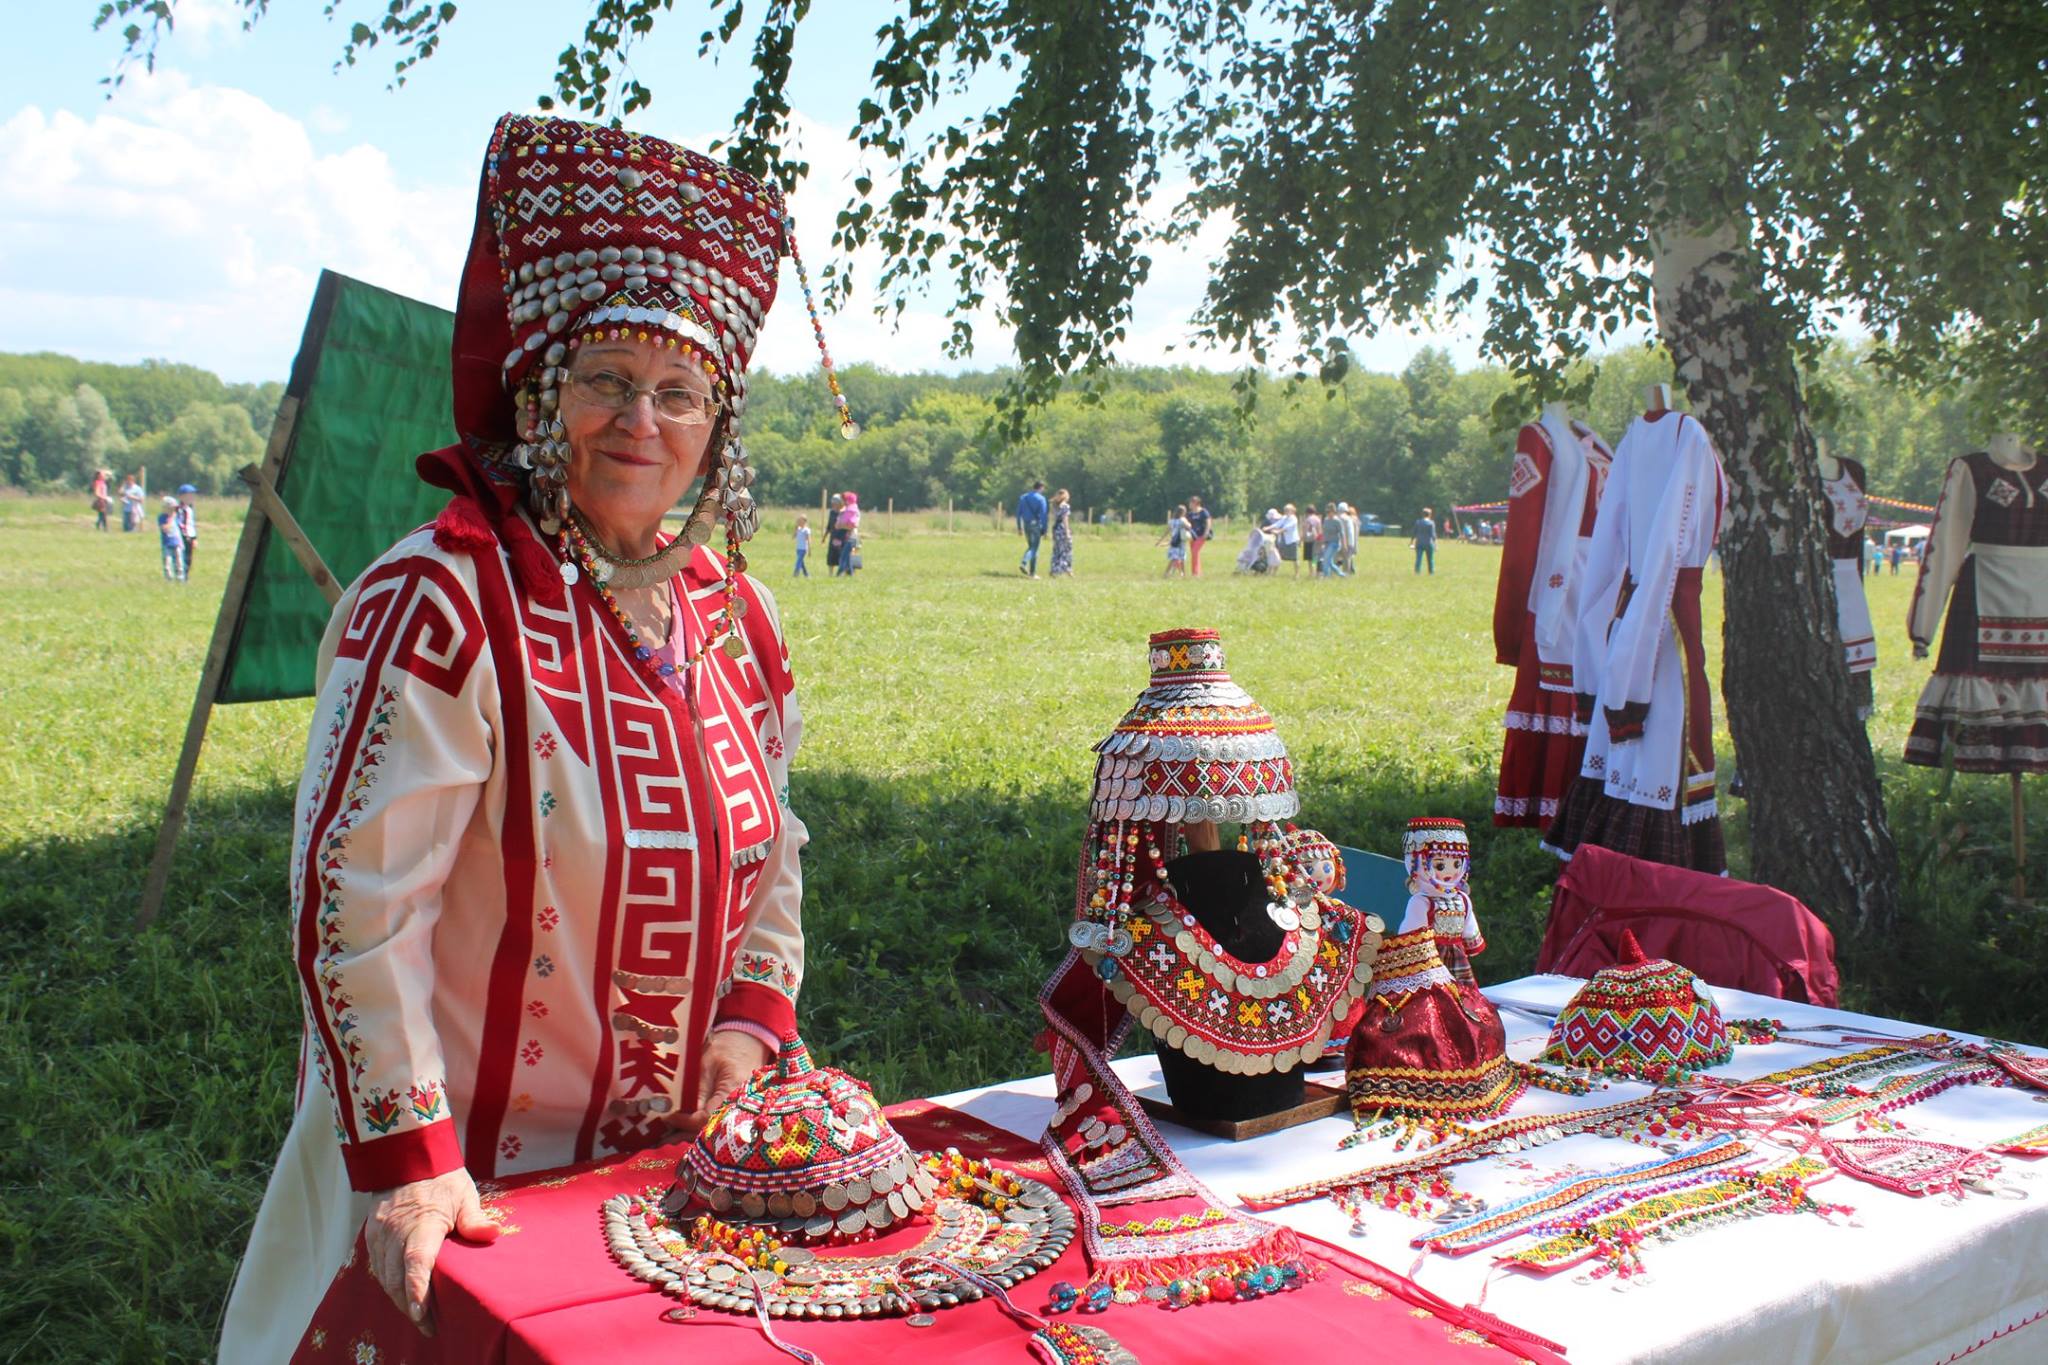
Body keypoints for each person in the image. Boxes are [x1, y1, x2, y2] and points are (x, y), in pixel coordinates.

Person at [219, 113, 837, 1361]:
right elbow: (358, 899)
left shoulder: (737, 613)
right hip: (467, 1191)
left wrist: (750, 1021)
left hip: (671, 1182)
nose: (640, 422)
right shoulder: (440, 597)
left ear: (717, 428)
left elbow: (774, 842)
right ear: (540, 391)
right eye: (605, 379)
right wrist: (411, 1159)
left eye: (679, 393)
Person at [1016, 479, 1049, 577]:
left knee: (1032, 547)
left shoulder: (1023, 497)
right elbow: (1043, 515)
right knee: (1035, 548)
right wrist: (1045, 529)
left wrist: (1019, 527)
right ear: (1041, 488)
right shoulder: (1041, 499)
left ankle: (1032, 572)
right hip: (1036, 525)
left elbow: (1018, 514)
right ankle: (1024, 563)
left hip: (1026, 525)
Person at [156, 495, 186, 582]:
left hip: (177, 542)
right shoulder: (162, 518)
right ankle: (169, 578)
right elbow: (165, 529)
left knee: (179, 560)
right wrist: (171, 518)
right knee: (167, 561)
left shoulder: (178, 516)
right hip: (167, 543)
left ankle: (180, 577)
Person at [1156, 502, 1191, 576]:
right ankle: (1180, 573)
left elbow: (1166, 532)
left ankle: (1173, 573)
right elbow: (1189, 527)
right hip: (1181, 542)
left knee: (1174, 558)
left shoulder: (1171, 521)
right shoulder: (1182, 520)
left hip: (1174, 541)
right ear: (1182, 512)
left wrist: (1159, 541)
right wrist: (1187, 522)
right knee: (1181, 559)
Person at [835, 490, 861, 575]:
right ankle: (850, 574)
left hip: (851, 537)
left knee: (843, 557)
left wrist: (841, 526)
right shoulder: (847, 510)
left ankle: (839, 574)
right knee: (848, 557)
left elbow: (853, 526)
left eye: (843, 499)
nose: (842, 501)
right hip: (847, 537)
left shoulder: (852, 511)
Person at [1049, 488, 1074, 576]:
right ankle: (1065, 569)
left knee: (1057, 549)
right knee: (1066, 549)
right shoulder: (1065, 507)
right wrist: (1067, 531)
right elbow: (1065, 519)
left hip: (1056, 529)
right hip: (1062, 529)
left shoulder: (1054, 506)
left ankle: (1054, 569)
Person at [1186, 494, 1211, 576]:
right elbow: (1187, 524)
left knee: (1195, 552)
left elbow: (1208, 522)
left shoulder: (1203, 512)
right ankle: (1197, 572)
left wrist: (1206, 532)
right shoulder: (1189, 514)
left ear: (1196, 503)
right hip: (1192, 536)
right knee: (1194, 554)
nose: (1189, 504)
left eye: (1191, 502)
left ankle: (1195, 573)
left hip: (1201, 535)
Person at [176, 485, 198, 572]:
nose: (192, 497)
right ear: (182, 496)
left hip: (190, 536)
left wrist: (194, 538)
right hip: (181, 536)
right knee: (181, 556)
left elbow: (191, 524)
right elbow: (178, 523)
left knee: (189, 557)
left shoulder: (190, 509)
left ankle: (186, 575)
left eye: (192, 495)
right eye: (189, 495)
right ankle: (180, 574)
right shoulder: (178, 509)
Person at [1411, 505, 1438, 574]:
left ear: (1422, 514)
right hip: (1428, 543)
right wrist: (1436, 545)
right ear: (1430, 515)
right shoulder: (1431, 523)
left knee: (1418, 559)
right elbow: (1433, 535)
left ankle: (1417, 571)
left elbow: (1414, 533)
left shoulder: (1418, 522)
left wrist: (1412, 542)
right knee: (1430, 559)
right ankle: (1431, 572)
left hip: (1419, 543)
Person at [1277, 502, 1301, 574]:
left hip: (1292, 541)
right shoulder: (1284, 518)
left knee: (1295, 558)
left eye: (1287, 510)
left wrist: (1279, 531)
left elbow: (1287, 527)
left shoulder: (1294, 518)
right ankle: (1274, 573)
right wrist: (1269, 527)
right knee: (1278, 556)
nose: (1286, 511)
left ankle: (1297, 574)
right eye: (1285, 510)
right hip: (1284, 540)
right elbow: (1278, 524)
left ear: (1292, 511)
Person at [825, 493, 846, 571]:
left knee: (841, 554)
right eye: (833, 503)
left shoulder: (844, 512)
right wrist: (825, 536)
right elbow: (829, 525)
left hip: (841, 536)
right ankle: (830, 573)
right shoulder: (831, 512)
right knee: (831, 556)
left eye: (835, 503)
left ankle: (841, 572)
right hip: (833, 536)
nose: (834, 505)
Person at [1302, 503, 1323, 576]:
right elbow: (1320, 530)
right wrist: (1320, 540)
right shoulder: (1318, 519)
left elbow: (1305, 530)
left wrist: (1303, 538)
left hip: (1309, 540)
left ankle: (1311, 572)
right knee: (1315, 556)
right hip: (1317, 539)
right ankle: (1316, 570)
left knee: (1309, 557)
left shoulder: (1307, 519)